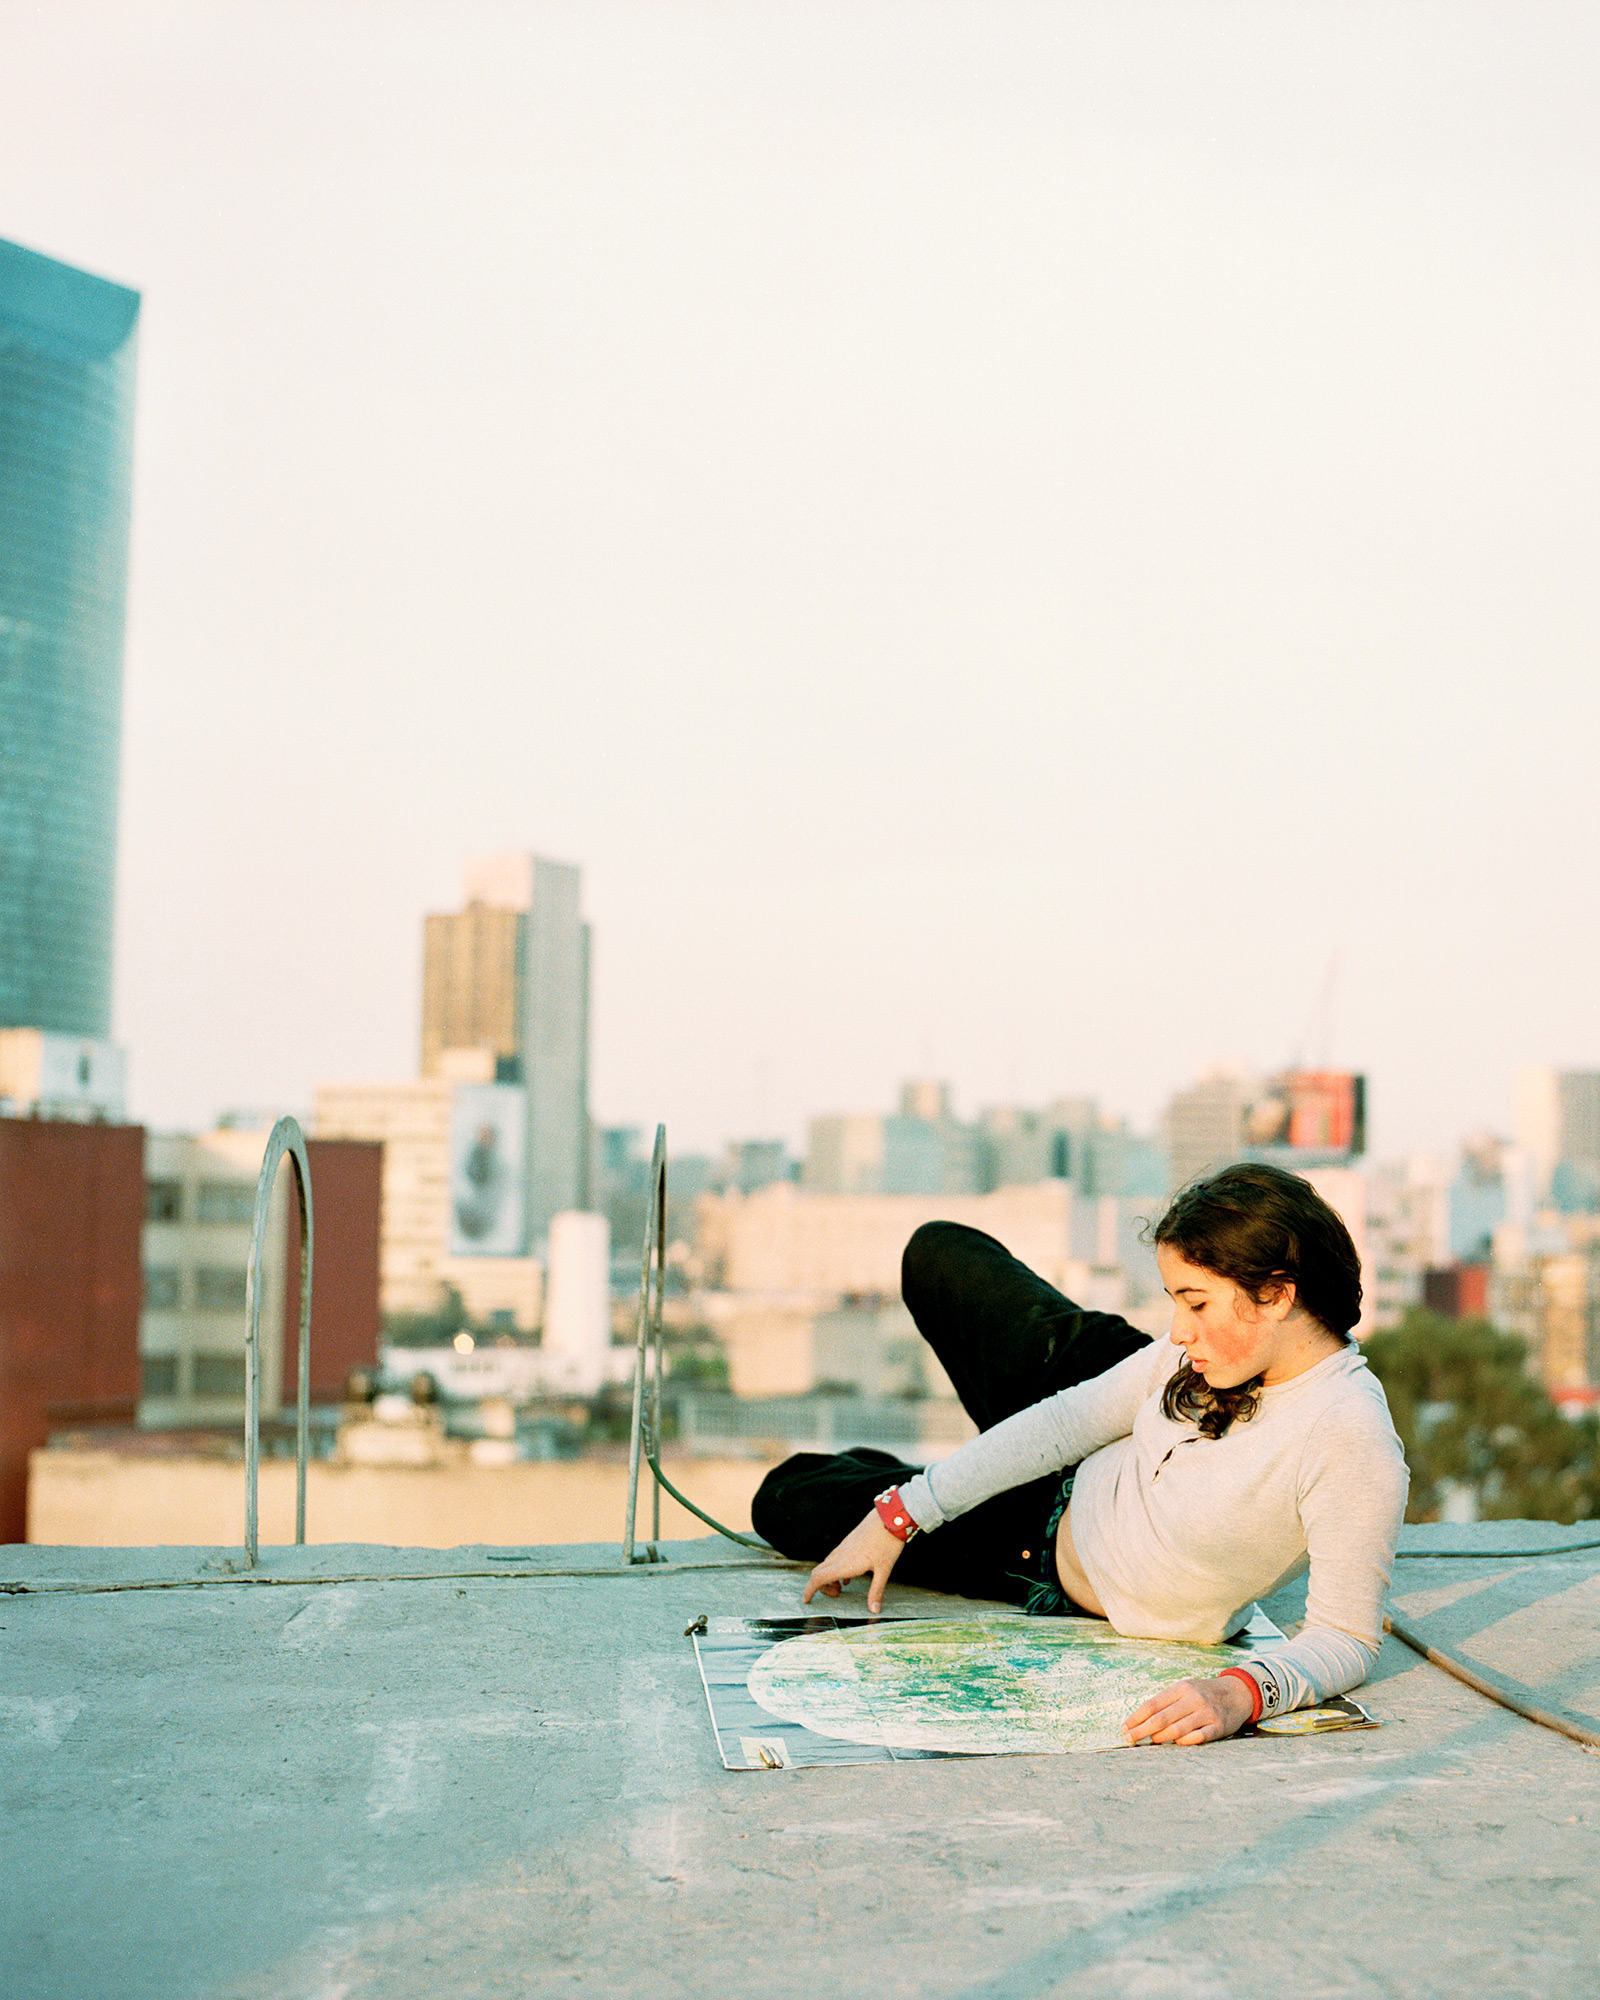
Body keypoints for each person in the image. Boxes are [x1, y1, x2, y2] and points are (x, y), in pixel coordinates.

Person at [750, 1162, 1409, 1747]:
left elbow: (1345, 1637)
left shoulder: (1348, 1438)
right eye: (1177, 1303)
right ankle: (908, 1480)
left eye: (1197, 1303)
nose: (1180, 1331)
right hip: (1106, 1393)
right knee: (939, 1253)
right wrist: (904, 1510)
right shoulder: (1196, 1351)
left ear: (1278, 1293)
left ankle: (889, 1474)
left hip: (1043, 1546)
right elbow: (1069, 1421)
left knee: (788, 1498)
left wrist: (1239, 1692)